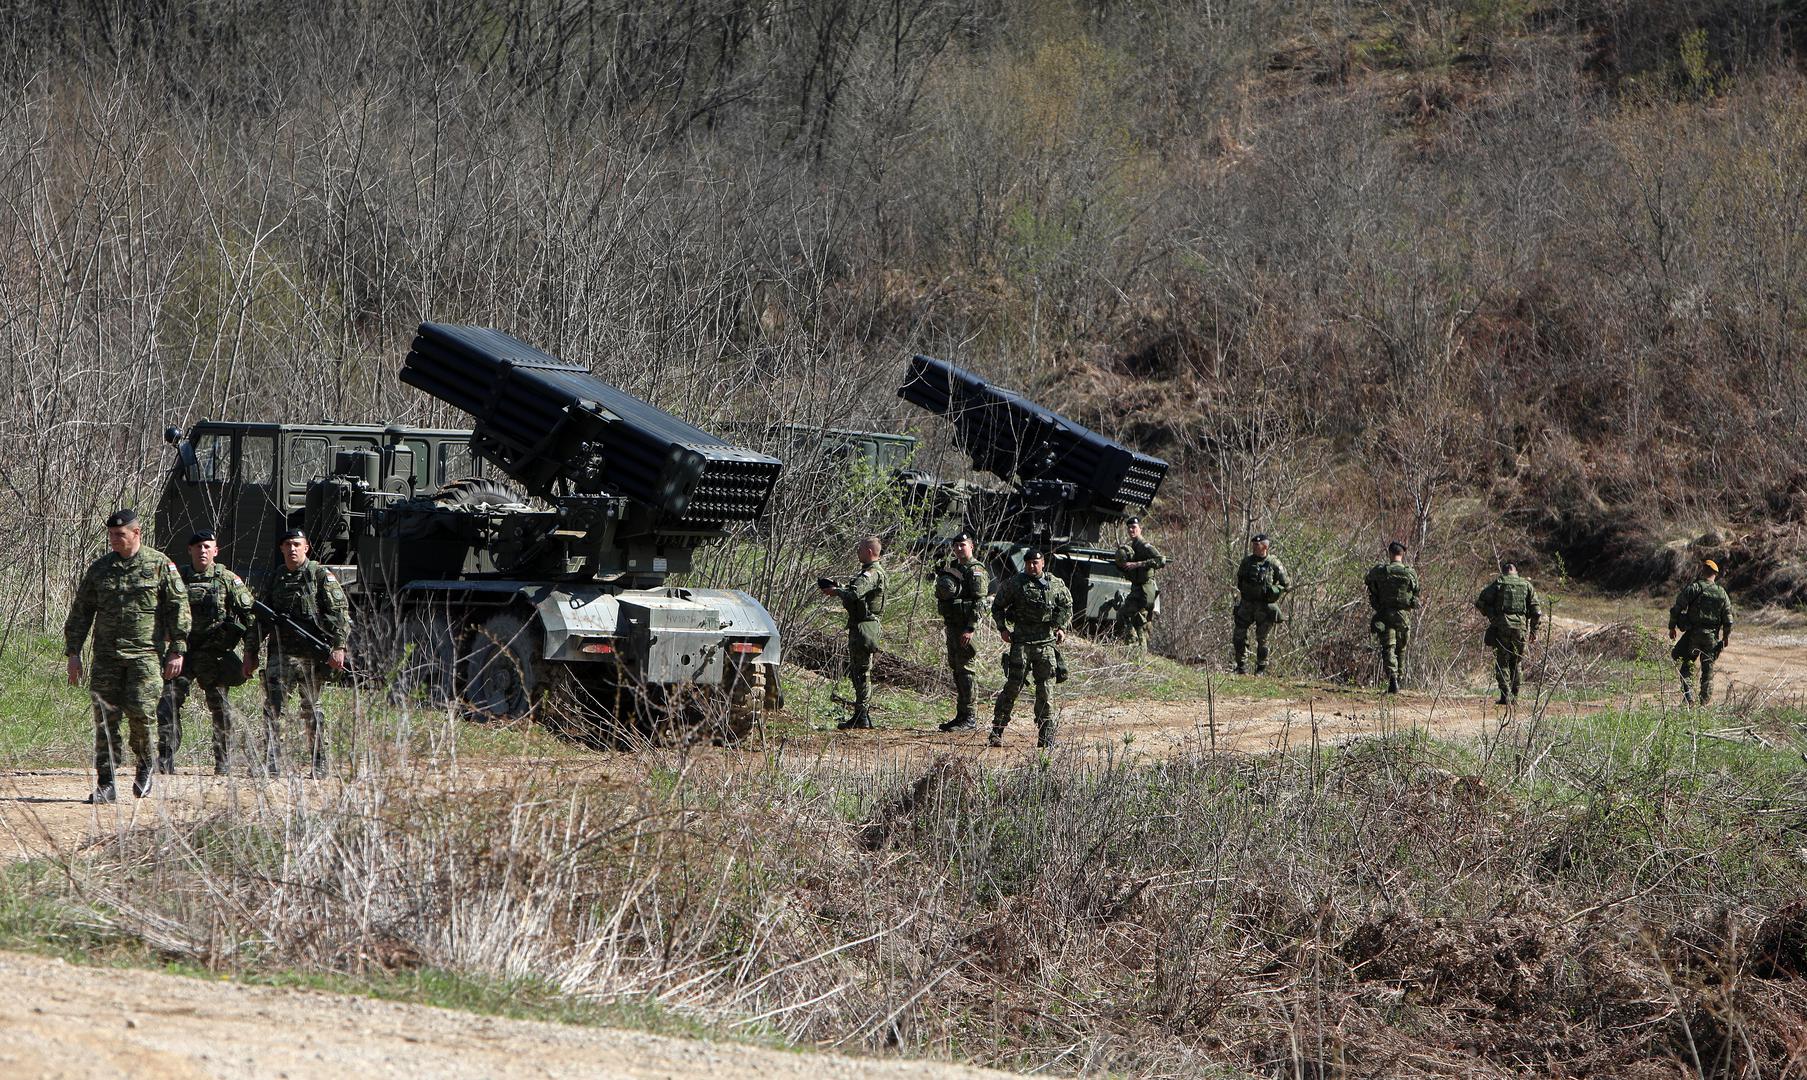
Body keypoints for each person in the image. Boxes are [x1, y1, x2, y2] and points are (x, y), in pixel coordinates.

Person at [62, 509, 189, 803]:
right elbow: (81, 613)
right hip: (106, 657)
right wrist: (73, 653)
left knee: (142, 716)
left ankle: (145, 767)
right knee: (105, 720)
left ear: (136, 533)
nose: (115, 541)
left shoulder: (159, 566)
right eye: (111, 536)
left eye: (120, 535)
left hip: (144, 657)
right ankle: (106, 782)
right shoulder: (100, 569)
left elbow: (178, 609)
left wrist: (177, 650)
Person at [245, 529, 349, 776]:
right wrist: (251, 651)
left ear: (306, 547)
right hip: (280, 653)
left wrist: (339, 647)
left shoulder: (319, 576)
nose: (292, 549)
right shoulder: (275, 578)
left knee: (312, 709)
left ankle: (319, 762)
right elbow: (260, 620)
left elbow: (340, 614)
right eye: (287, 545)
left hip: (312, 655)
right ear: (281, 549)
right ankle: (272, 762)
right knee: (273, 707)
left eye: (296, 544)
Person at [157, 529, 256, 775]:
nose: (202, 551)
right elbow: (159, 611)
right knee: (168, 702)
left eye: (207, 547)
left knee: (220, 707)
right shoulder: (177, 577)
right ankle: (166, 757)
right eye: (198, 547)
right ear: (190, 550)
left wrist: (249, 653)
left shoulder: (227, 579)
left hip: (214, 653)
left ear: (215, 551)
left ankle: (223, 762)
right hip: (183, 653)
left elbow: (250, 616)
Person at [989, 548, 1073, 748]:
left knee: (1046, 691)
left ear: (1042, 563)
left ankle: (1046, 736)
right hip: (1021, 644)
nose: (1031, 566)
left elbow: (1066, 605)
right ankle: (997, 731)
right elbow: (997, 606)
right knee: (1012, 688)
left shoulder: (1054, 584)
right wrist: (1003, 629)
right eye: (1028, 563)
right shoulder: (1015, 584)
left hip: (1045, 644)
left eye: (1035, 563)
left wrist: (1061, 627)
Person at [819, 535, 886, 730]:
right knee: (858, 671)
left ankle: (862, 715)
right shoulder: (868, 572)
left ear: (869, 551)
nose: (857, 552)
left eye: (860, 549)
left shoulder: (872, 573)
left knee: (862, 671)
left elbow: (855, 593)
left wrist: (836, 591)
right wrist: (839, 588)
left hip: (865, 626)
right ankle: (860, 713)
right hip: (860, 624)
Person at [934, 532, 990, 732]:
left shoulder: (976, 570)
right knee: (957, 669)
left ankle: (970, 717)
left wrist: (971, 628)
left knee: (966, 670)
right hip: (954, 625)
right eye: (956, 545)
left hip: (966, 628)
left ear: (971, 546)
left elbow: (980, 602)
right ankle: (961, 715)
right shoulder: (955, 568)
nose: (959, 549)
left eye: (963, 545)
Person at [1475, 560, 1541, 705]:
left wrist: (1492, 616)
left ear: (1504, 571)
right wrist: (1534, 630)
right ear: (1516, 571)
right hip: (1520, 629)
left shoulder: (1499, 583)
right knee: (1516, 662)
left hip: (1502, 627)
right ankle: (1515, 697)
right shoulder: (1526, 585)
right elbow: (1536, 611)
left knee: (1502, 661)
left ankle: (1505, 696)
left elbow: (1480, 602)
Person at [1669, 558, 1733, 705]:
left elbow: (1677, 609)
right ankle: (1703, 704)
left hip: (1693, 635)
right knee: (1708, 672)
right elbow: (1728, 620)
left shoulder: (1694, 588)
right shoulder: (1722, 593)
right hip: (1712, 637)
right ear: (1715, 574)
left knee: (1686, 665)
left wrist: (1672, 627)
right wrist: (1725, 637)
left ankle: (1689, 697)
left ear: (1703, 571)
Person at [1364, 541, 1420, 694]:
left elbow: (1367, 580)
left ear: (1389, 553)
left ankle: (1393, 679)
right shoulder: (1410, 573)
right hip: (1403, 615)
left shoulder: (1380, 571)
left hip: (1384, 613)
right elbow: (1416, 591)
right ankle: (1399, 678)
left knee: (1388, 646)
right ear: (1403, 554)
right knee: (1401, 647)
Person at [1233, 533, 1290, 674]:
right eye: (1253, 544)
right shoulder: (1246, 562)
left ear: (1265, 546)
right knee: (1238, 636)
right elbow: (1239, 579)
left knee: (1262, 639)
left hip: (1264, 607)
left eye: (1257, 545)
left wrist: (1273, 591)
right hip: (1247, 605)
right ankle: (1241, 667)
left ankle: (1260, 669)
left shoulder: (1274, 563)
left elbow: (1286, 584)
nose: (1254, 547)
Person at [1113, 517, 1166, 647]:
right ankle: (1137, 648)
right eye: (1129, 528)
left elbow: (1161, 560)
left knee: (1128, 615)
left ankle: (1133, 645)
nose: (1131, 530)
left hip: (1145, 588)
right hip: (1138, 588)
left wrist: (1138, 564)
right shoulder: (1133, 546)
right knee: (1136, 620)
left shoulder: (1144, 545)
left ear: (1139, 529)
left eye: (1134, 527)